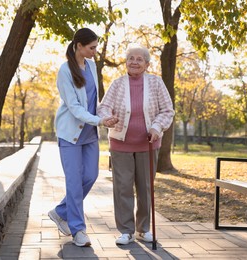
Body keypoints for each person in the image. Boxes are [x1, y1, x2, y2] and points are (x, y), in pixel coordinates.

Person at [97, 44, 174, 245]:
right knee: (122, 187)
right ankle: (126, 231)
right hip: (120, 143)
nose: (134, 62)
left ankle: (143, 229)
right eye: (131, 58)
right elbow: (104, 107)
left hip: (148, 143)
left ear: (147, 64)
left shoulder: (156, 83)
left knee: (145, 187)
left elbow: (167, 110)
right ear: (126, 62)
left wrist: (157, 127)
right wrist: (107, 118)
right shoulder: (117, 84)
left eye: (139, 59)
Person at [48, 28, 117, 247]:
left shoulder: (92, 66)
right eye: (92, 47)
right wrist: (99, 121)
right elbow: (75, 107)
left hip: (90, 134)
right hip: (71, 134)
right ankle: (78, 230)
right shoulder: (65, 71)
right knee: (74, 182)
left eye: (96, 47)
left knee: (90, 176)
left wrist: (103, 117)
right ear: (78, 46)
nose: (95, 52)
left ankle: (60, 211)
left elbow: (94, 99)